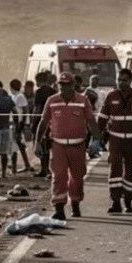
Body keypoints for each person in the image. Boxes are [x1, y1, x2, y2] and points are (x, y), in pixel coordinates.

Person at [36, 71, 98, 220]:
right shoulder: (51, 100)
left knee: (77, 176)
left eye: (66, 84)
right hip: (58, 145)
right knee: (58, 176)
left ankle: (75, 203)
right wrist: (37, 142)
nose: (63, 87)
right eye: (60, 84)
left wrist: (96, 139)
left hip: (78, 145)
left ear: (72, 85)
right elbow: (44, 122)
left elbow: (91, 121)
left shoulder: (83, 100)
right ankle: (59, 207)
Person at [97, 68, 132, 213]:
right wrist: (96, 138)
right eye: (119, 80)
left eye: (124, 80)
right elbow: (102, 119)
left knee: (131, 172)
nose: (121, 83)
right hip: (116, 140)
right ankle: (115, 202)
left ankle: (128, 201)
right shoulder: (111, 96)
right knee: (115, 170)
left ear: (131, 81)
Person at [32, 71, 58, 177]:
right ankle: (46, 169)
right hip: (53, 120)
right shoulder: (54, 91)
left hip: (41, 120)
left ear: (38, 81)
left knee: (41, 143)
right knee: (48, 144)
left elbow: (37, 108)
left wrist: (33, 122)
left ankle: (45, 168)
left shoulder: (39, 92)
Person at [9, 79, 32, 173]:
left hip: (18, 123)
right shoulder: (13, 96)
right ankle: (26, 165)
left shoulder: (20, 96)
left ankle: (14, 168)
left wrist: (21, 124)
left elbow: (25, 111)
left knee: (14, 145)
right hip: (14, 122)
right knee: (17, 144)